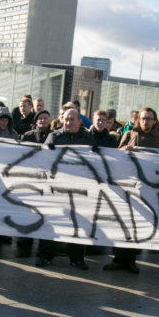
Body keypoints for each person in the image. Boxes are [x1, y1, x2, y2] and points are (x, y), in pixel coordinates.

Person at [106, 107, 159, 273]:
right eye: (143, 118)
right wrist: (124, 151)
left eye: (149, 118)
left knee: (138, 225)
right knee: (123, 223)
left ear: (154, 121)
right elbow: (117, 158)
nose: (146, 121)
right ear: (138, 120)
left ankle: (131, 260)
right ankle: (118, 259)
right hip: (127, 185)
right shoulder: (129, 135)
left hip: (147, 187)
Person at [36, 106, 95, 270]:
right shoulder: (54, 136)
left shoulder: (87, 138)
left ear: (79, 121)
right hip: (57, 188)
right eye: (66, 119)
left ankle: (77, 258)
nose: (68, 122)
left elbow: (97, 160)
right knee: (51, 223)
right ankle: (45, 256)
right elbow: (44, 159)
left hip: (79, 190)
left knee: (78, 225)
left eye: (72, 119)